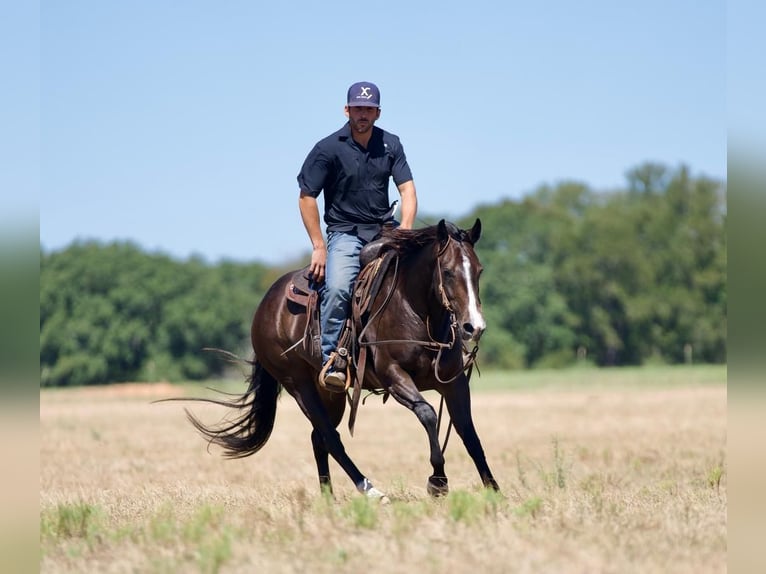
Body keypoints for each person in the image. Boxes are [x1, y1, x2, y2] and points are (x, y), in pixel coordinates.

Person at [297, 81, 418, 391]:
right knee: (337, 288)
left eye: (369, 109)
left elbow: (407, 189)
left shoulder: (391, 144)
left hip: (384, 232)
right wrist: (318, 246)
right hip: (345, 234)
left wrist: (405, 230)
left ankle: (420, 351)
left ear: (377, 112)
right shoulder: (328, 148)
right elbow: (306, 196)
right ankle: (332, 361)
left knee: (421, 278)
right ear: (346, 110)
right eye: (357, 108)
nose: (363, 114)